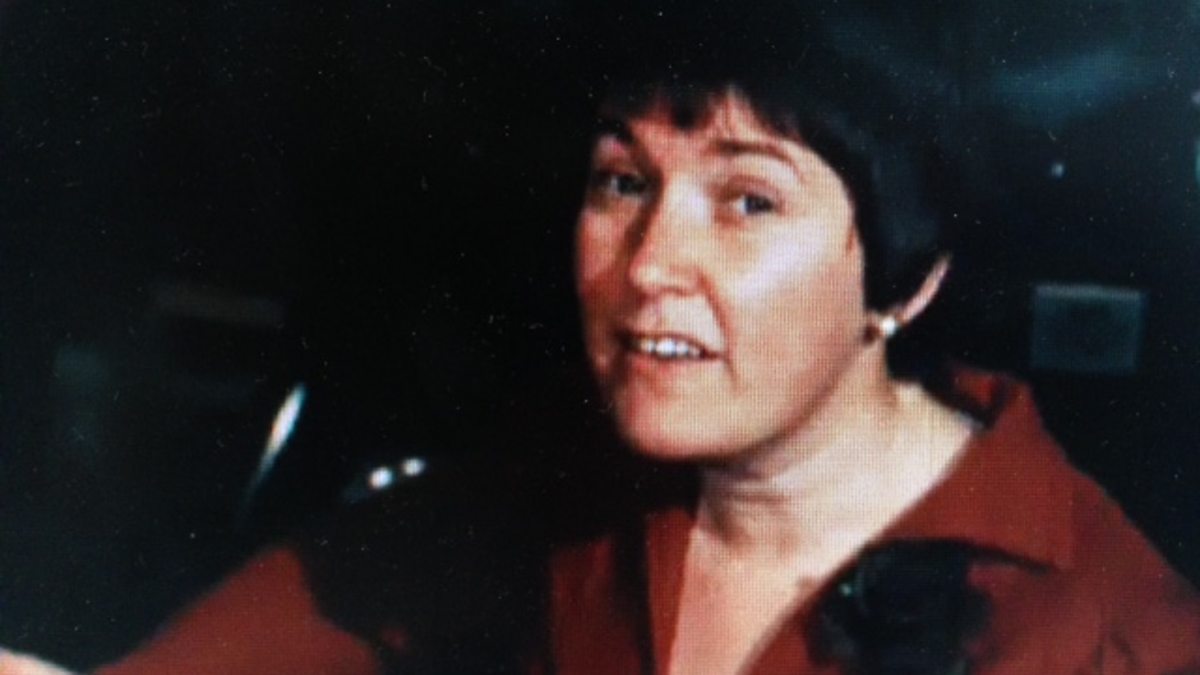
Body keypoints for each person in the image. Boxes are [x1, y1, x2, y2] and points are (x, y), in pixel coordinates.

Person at [5, 3, 1200, 674]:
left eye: (749, 201)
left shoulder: (1110, 634)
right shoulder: (555, 502)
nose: (649, 263)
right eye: (623, 183)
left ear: (909, 277)